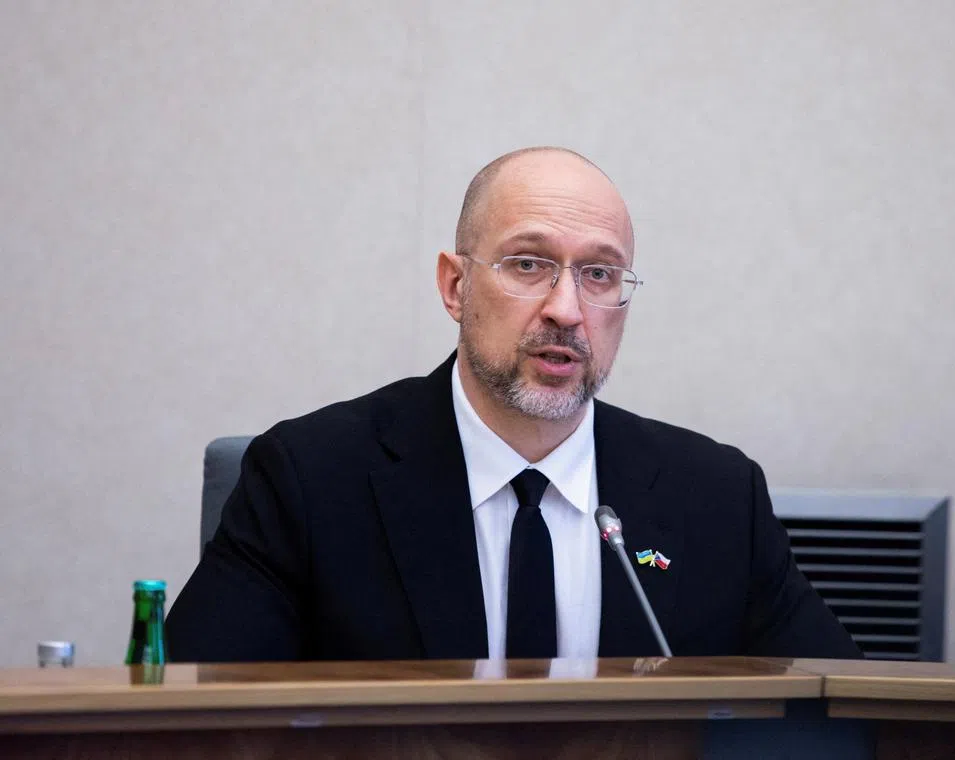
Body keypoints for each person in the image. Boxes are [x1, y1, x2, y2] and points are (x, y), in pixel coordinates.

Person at [166, 147, 862, 662]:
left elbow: (840, 713)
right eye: (529, 264)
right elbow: (196, 715)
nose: (567, 310)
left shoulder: (716, 495)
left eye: (599, 274)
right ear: (455, 286)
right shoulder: (310, 479)